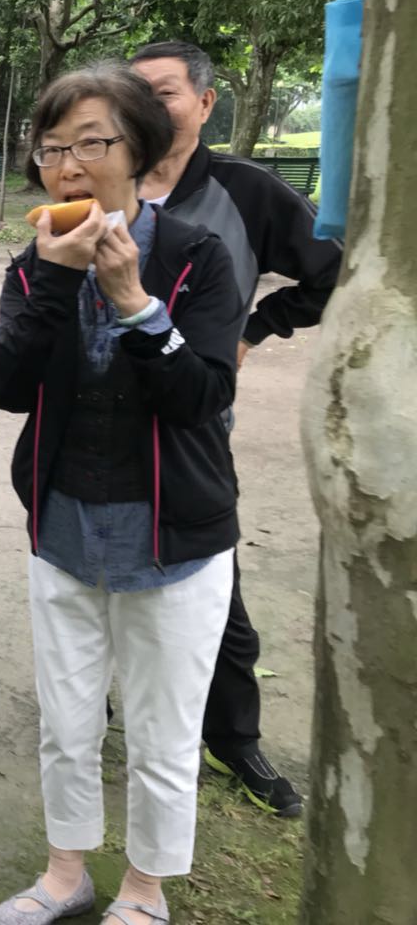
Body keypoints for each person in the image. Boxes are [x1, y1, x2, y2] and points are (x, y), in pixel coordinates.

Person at [0, 62, 246, 925]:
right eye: (53, 149)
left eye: (91, 143)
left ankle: (145, 890)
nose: (68, 166)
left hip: (175, 536)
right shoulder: (35, 265)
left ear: (139, 151)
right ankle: (66, 873)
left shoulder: (195, 257)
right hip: (64, 529)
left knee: (164, 733)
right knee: (66, 721)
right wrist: (57, 281)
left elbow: (202, 397)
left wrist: (135, 302)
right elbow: (0, 385)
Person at [131, 40, 342, 818]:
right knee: (98, 564)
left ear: (206, 102)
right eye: (136, 94)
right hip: (93, 421)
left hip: (194, 419)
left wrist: (255, 328)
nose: (150, 109)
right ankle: (112, 700)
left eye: (164, 92)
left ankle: (234, 736)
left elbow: (332, 272)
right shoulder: (105, 177)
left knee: (208, 575)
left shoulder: (246, 191)